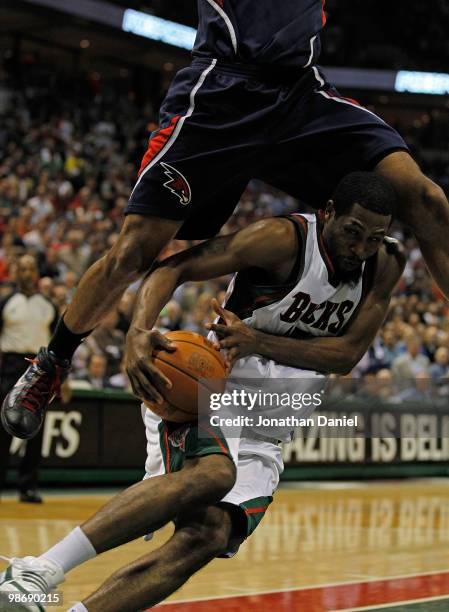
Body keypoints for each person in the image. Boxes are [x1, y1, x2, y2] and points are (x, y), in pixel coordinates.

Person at [1, 1, 448, 442]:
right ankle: (52, 363)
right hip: (221, 91)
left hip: (301, 97)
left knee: (426, 198)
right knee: (135, 251)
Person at [0, 173, 406, 611]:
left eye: (373, 239)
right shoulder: (281, 240)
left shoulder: (384, 264)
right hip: (211, 393)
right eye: (353, 232)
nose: (360, 248)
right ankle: (37, 570)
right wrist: (139, 330)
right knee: (213, 475)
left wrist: (259, 342)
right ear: (329, 211)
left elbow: (345, 355)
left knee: (208, 535)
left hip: (270, 428)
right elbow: (174, 267)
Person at [0, 255, 58, 503]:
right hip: (10, 365)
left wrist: (60, 381)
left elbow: (57, 347)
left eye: (30, 268)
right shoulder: (6, 302)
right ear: (15, 272)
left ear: (36, 272)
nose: (26, 272)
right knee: (2, 427)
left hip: (38, 368)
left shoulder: (49, 306)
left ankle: (28, 486)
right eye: (21, 268)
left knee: (34, 430)